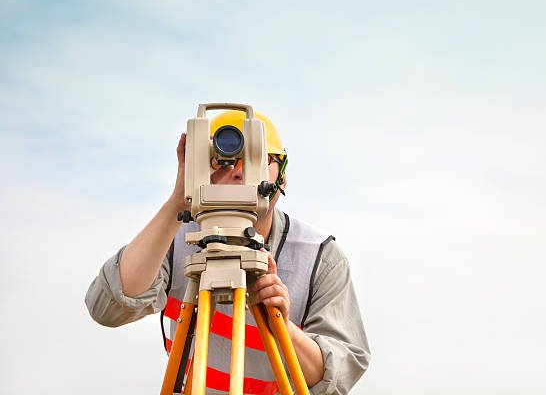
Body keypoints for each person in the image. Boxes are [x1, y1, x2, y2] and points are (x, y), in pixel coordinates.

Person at [85, 110, 370, 394]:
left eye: (257, 159)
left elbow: (338, 378)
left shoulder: (320, 257)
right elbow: (108, 308)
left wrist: (283, 327)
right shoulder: (175, 238)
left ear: (282, 178)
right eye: (223, 159)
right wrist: (176, 204)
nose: (238, 170)